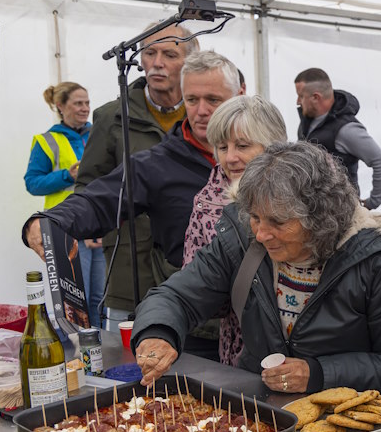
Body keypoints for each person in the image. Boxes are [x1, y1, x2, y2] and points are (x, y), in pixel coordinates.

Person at [131, 141, 381, 396]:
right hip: (262, 405)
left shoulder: (375, 258)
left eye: (278, 222)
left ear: (320, 219)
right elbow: (177, 296)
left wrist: (318, 373)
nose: (261, 234)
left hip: (347, 416)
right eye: (255, 217)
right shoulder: (241, 240)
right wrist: (159, 331)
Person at [22, 51, 243, 355]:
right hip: (196, 327)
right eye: (192, 100)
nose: (201, 111)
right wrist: (50, 221)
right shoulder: (158, 163)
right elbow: (99, 200)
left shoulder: (265, 152)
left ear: (239, 95)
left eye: (213, 100)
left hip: (259, 326)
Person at [77, 23, 199, 328]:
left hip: (192, 268)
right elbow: (89, 184)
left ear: (190, 62)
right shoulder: (111, 117)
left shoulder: (205, 115)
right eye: (149, 52)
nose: (157, 63)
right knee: (127, 351)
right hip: (129, 268)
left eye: (169, 54)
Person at [182, 95, 288, 366]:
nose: (230, 158)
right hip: (242, 351)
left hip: (302, 344)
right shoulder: (206, 203)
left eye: (242, 145)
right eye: (221, 147)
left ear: (273, 145)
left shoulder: (304, 195)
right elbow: (196, 286)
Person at [24, 82, 104, 328]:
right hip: (65, 230)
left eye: (87, 102)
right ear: (60, 106)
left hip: (99, 227)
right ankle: (78, 348)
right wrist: (67, 176)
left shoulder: (99, 133)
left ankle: (99, 346)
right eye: (78, 103)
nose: (85, 108)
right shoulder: (46, 140)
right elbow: (33, 183)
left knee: (100, 299)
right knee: (75, 302)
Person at [294, 68, 381, 209]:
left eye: (301, 96)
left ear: (316, 97)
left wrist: (372, 203)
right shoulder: (308, 120)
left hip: (340, 212)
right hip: (313, 208)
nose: (298, 101)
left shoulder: (346, 130)